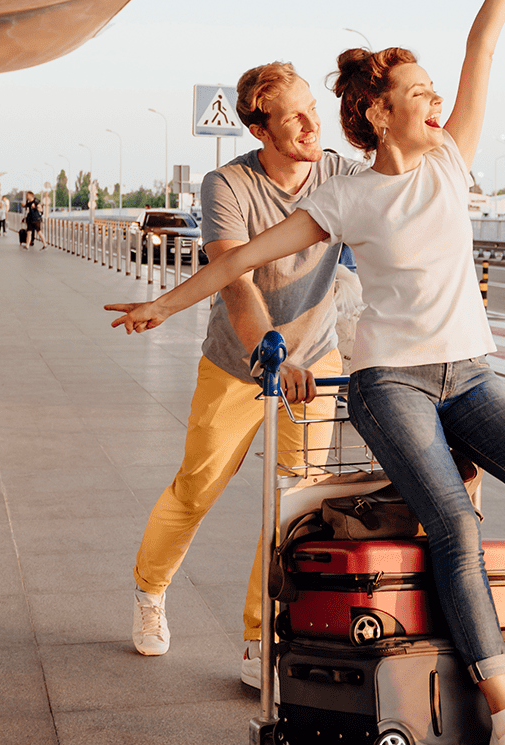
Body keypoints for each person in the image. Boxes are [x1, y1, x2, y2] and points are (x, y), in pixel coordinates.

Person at [108, 0, 505, 745]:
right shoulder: (346, 194)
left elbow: (481, 41)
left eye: (432, 89)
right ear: (381, 113)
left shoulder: (451, 159)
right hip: (389, 383)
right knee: (450, 519)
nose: (436, 99)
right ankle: (503, 714)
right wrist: (162, 302)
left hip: (470, 373)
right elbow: (239, 262)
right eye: (419, 92)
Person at [107, 62, 365, 693]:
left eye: (313, 108)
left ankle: (260, 636)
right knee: (197, 488)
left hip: (317, 364)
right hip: (240, 364)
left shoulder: (339, 173)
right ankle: (150, 590)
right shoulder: (228, 185)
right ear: (259, 127)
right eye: (294, 116)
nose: (312, 125)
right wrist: (272, 356)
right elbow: (237, 280)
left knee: (291, 503)